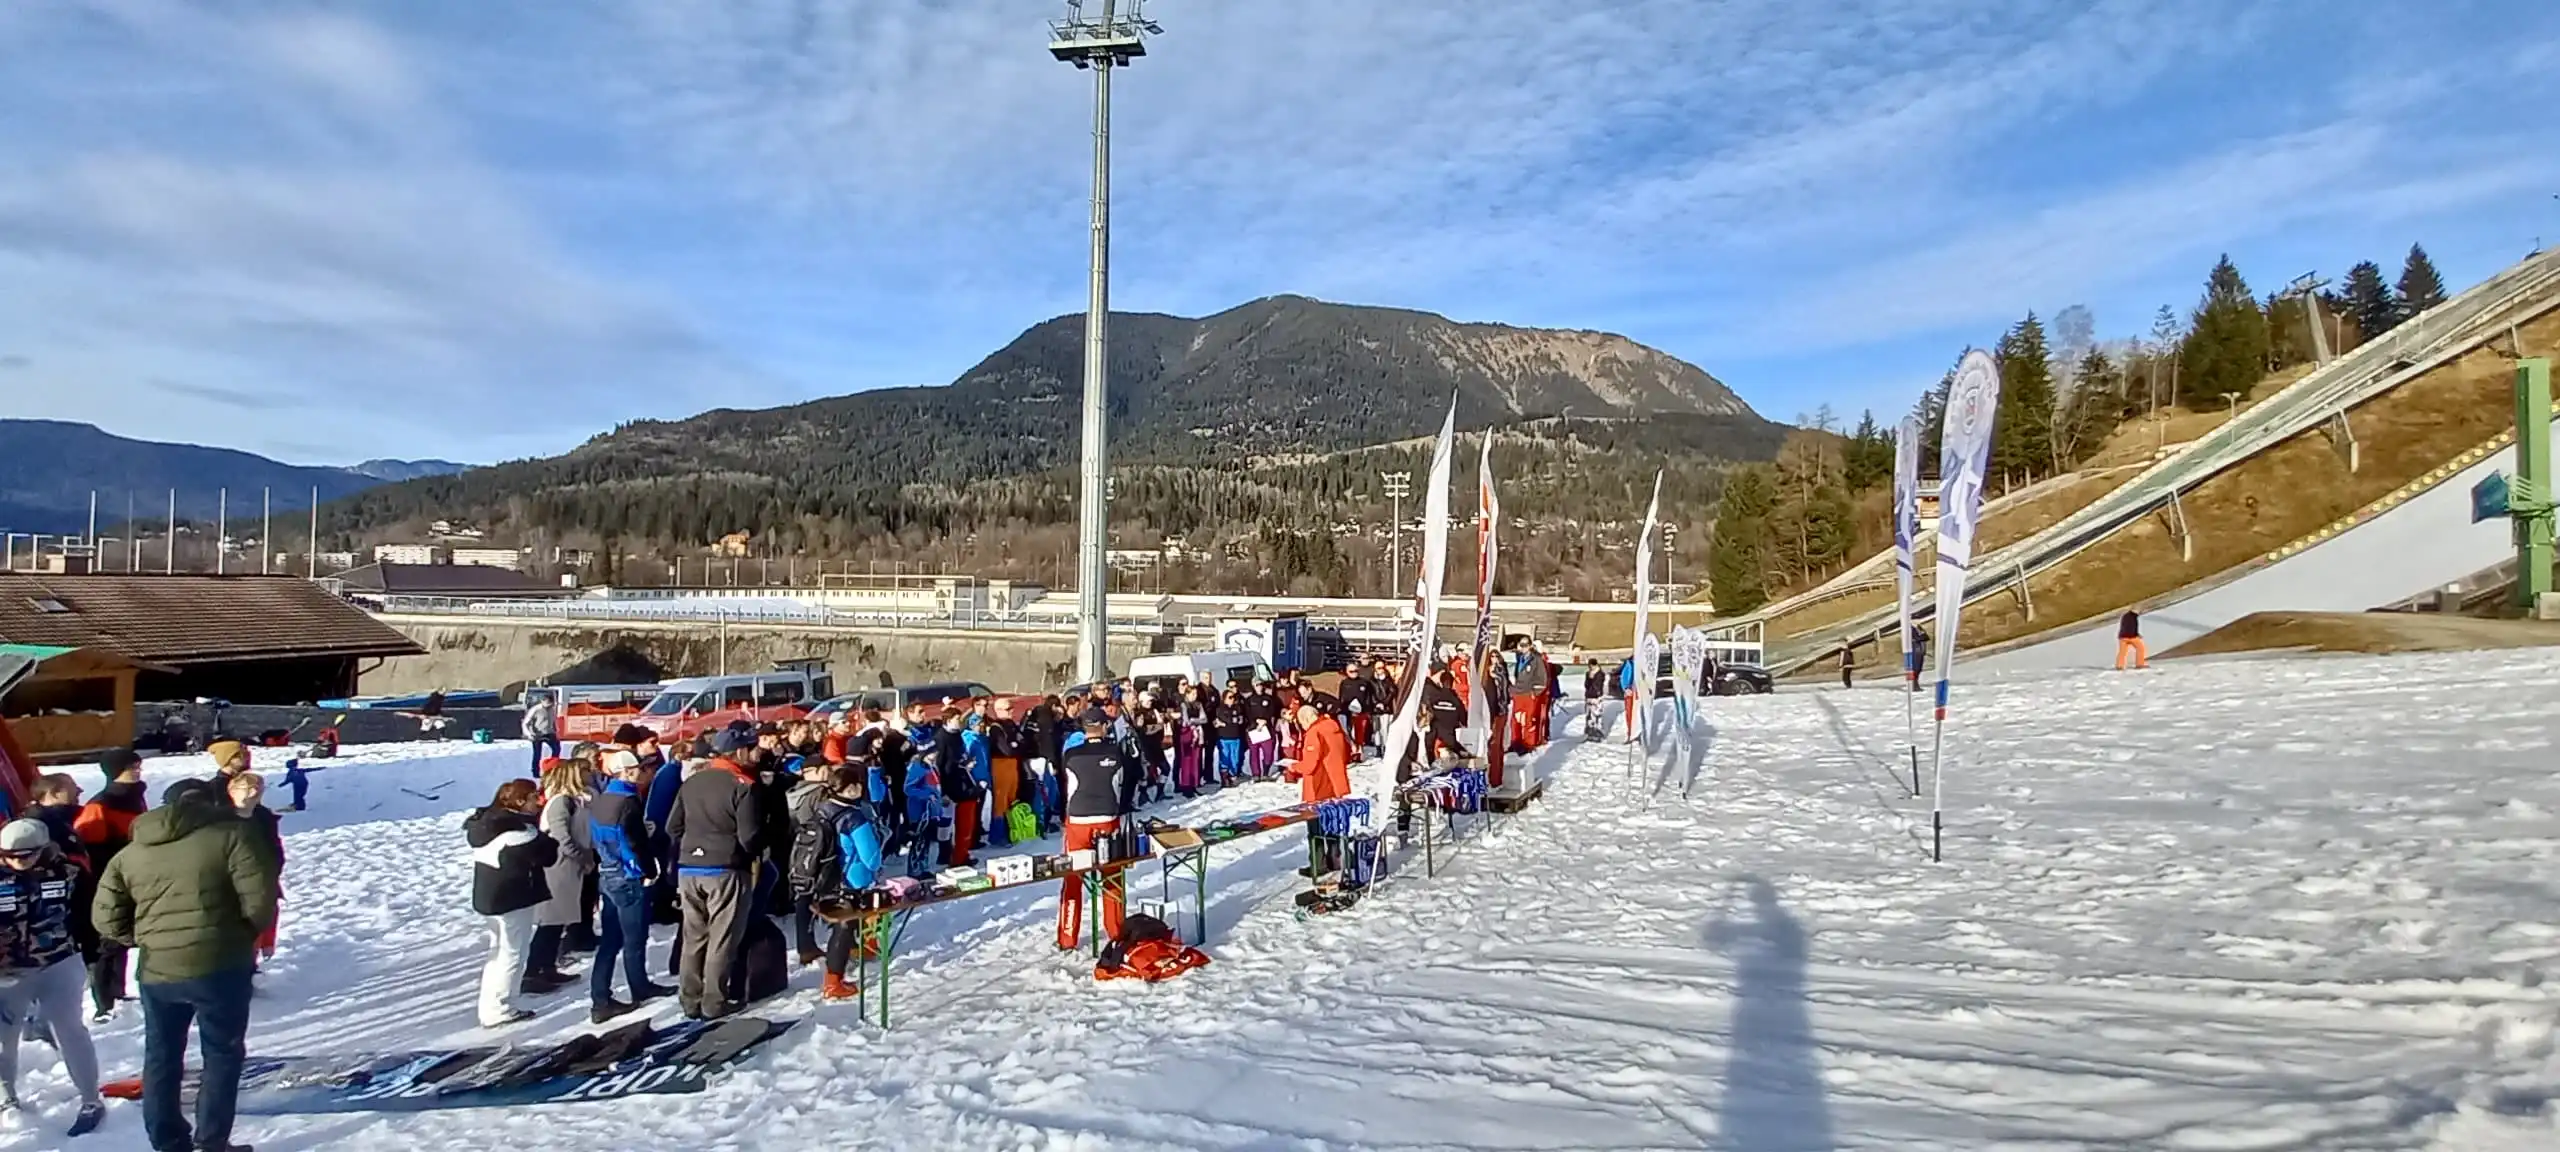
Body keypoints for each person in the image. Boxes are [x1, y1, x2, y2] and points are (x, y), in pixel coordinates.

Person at [93, 778, 279, 1152]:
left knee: (161, 1055)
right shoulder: (231, 837)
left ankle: (167, 1141)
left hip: (158, 969)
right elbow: (261, 898)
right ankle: (211, 1142)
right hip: (221, 965)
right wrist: (240, 937)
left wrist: (143, 938)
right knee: (222, 1054)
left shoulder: (130, 853)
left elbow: (105, 918)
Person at [0, 818, 107, 1136]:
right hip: (8, 972)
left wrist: (91, 955)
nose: (16, 862)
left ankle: (91, 1100)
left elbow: (88, 914)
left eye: (25, 855)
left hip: (58, 962)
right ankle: (7, 1099)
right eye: (8, 855)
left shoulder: (69, 872)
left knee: (71, 1031)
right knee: (4, 1038)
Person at [667, 731, 761, 1021]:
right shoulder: (743, 785)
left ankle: (689, 998)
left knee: (693, 936)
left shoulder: (692, 781)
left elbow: (673, 827)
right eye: (752, 748)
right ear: (739, 752)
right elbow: (750, 836)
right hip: (725, 868)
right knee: (721, 938)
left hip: (689, 868)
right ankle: (714, 1001)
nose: (757, 753)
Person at [584, 749, 670, 1024]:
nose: (642, 773)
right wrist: (648, 869)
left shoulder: (603, 798)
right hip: (628, 874)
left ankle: (600, 997)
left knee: (610, 940)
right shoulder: (628, 802)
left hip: (607, 873)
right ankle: (638, 987)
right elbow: (634, 842)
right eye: (637, 769)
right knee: (634, 937)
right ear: (626, 772)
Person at [465, 779, 559, 1029]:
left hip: (489, 897)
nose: (537, 803)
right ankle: (501, 1008)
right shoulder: (518, 832)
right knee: (512, 954)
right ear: (519, 802)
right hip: (512, 898)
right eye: (532, 798)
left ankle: (490, 1006)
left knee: (497, 954)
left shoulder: (486, 824)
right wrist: (544, 834)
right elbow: (549, 854)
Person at [792, 768, 885, 1002]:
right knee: (845, 928)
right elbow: (871, 858)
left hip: (826, 880)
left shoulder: (822, 808)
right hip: (852, 880)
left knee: (843, 926)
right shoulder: (854, 816)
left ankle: (853, 953)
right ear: (851, 788)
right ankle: (834, 982)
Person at [72, 751, 148, 1022]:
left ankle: (118, 991)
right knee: (107, 941)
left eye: (138, 766)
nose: (137, 771)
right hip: (108, 879)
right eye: (131, 767)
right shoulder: (101, 804)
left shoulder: (135, 797)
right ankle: (104, 1002)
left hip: (134, 877)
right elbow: (89, 848)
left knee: (124, 937)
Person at [1055, 713, 1130, 952]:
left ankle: (1068, 938)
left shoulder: (1071, 754)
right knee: (1111, 875)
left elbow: (1065, 785)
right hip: (1108, 817)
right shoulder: (1116, 751)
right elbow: (1125, 784)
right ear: (1104, 727)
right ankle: (1116, 931)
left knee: (1073, 877)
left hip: (1078, 819)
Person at [529, 758, 595, 993]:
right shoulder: (560, 802)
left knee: (559, 920)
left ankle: (547, 967)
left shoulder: (582, 799)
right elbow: (561, 836)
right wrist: (581, 856)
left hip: (572, 866)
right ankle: (533, 970)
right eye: (586, 771)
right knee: (551, 920)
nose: (591, 773)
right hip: (559, 865)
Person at [224, 774, 283, 971]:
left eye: (258, 788)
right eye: (247, 788)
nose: (254, 792)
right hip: (229, 882)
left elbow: (274, 848)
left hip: (259, 879)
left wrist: (272, 871)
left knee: (256, 924)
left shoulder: (263, 817)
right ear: (232, 791)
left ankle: (250, 967)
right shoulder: (221, 818)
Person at [522, 690, 560, 770]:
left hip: (549, 733)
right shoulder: (535, 710)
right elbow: (525, 723)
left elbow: (553, 720)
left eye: (551, 704)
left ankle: (553, 766)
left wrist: (556, 730)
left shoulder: (552, 709)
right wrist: (529, 734)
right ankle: (535, 771)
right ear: (542, 701)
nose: (549, 705)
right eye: (547, 703)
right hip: (537, 734)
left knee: (557, 749)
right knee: (537, 754)